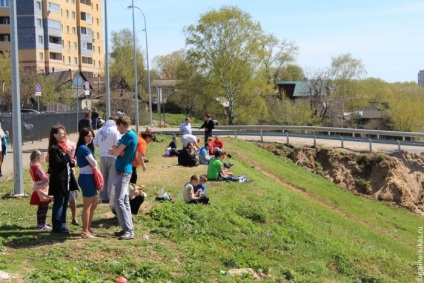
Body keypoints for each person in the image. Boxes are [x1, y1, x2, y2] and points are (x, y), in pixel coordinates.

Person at [108, 116, 138, 240]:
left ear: (121, 125)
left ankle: (128, 230)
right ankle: (127, 228)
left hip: (124, 172)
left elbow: (114, 152)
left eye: (117, 126)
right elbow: (113, 150)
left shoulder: (128, 136)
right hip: (122, 171)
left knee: (118, 201)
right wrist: (117, 150)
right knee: (124, 200)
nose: (117, 129)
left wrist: (117, 150)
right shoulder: (128, 136)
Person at [48, 125, 72, 234]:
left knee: (65, 202)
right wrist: (67, 155)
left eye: (64, 133)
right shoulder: (54, 148)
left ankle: (63, 224)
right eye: (61, 133)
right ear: (55, 135)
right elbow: (58, 164)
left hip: (66, 180)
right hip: (59, 181)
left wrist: (71, 161)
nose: (64, 135)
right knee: (59, 203)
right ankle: (56, 227)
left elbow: (66, 162)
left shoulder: (62, 146)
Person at [76, 128, 99, 239]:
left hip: (89, 177)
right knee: (88, 205)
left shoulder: (87, 148)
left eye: (91, 136)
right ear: (82, 137)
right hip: (86, 178)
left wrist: (93, 164)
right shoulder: (83, 148)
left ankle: (88, 228)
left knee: (94, 202)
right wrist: (93, 164)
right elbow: (94, 163)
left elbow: (93, 164)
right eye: (88, 136)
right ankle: (85, 231)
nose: (90, 138)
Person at [93, 116, 121, 203]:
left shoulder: (100, 130)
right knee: (112, 177)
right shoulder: (115, 130)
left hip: (102, 155)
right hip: (112, 156)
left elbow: (96, 143)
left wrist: (103, 148)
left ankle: (103, 196)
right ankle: (110, 196)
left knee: (103, 177)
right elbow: (118, 143)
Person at [29, 150, 52, 231]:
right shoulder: (37, 167)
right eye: (41, 158)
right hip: (42, 189)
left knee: (40, 207)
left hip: (37, 188)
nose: (42, 160)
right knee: (44, 206)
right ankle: (42, 224)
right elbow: (44, 178)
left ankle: (40, 223)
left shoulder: (32, 166)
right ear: (37, 158)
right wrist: (49, 175)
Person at [63, 133, 80, 226]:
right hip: (60, 174)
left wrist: (74, 161)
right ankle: (62, 219)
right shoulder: (56, 146)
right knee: (62, 198)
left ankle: (74, 217)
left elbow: (74, 159)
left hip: (70, 172)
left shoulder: (72, 144)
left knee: (72, 196)